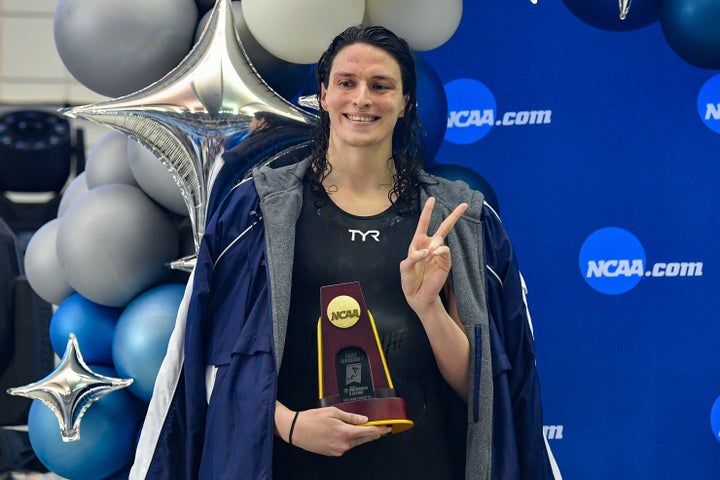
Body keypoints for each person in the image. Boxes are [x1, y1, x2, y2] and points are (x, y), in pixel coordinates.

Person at [130, 25, 561, 480]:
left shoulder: (458, 219)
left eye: (381, 86)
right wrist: (291, 426)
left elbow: (482, 387)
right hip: (293, 462)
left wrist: (428, 307)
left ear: (406, 102)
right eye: (346, 83)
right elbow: (211, 363)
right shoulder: (255, 211)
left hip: (420, 464)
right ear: (323, 94)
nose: (362, 99)